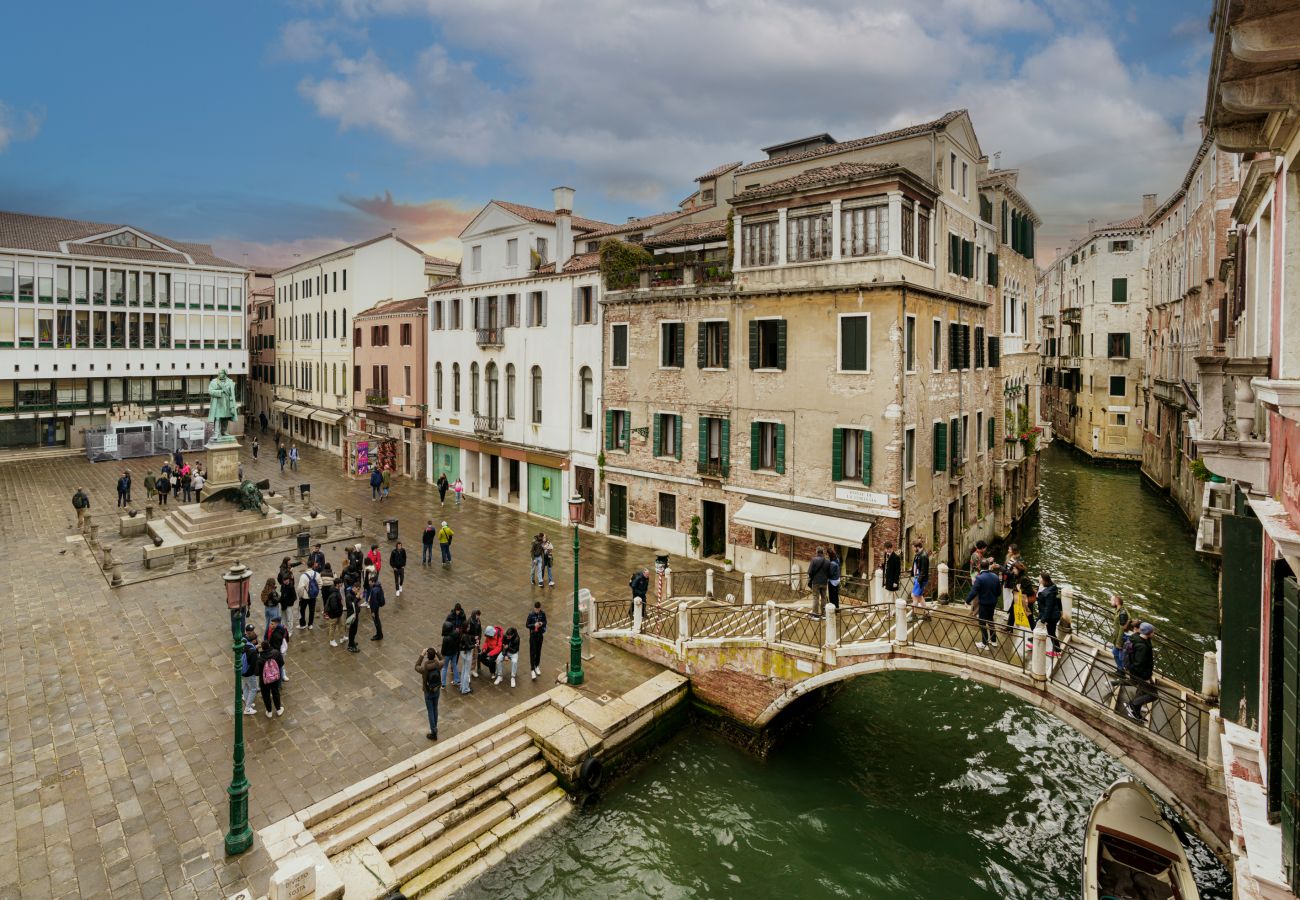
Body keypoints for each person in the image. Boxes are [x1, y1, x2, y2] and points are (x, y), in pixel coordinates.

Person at [966, 560, 1002, 650]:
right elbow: (999, 592)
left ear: (980, 567)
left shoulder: (979, 578)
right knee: (990, 621)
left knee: (982, 622)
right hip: (993, 603)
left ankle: (984, 643)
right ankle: (993, 641)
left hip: (984, 603)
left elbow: (974, 591)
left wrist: (967, 601)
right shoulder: (995, 576)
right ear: (988, 566)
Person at [1126, 623, 1158, 722]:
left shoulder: (1138, 638)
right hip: (1140, 675)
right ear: (1148, 633)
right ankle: (1133, 705)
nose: (1154, 633)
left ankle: (1136, 711)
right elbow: (1139, 665)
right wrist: (1147, 677)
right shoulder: (1142, 647)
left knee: (1142, 691)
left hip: (1137, 673)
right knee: (1153, 695)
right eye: (1153, 632)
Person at [415, 647, 442, 741]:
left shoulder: (424, 668)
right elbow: (443, 660)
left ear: (427, 656)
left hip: (428, 692)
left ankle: (434, 732)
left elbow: (416, 666)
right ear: (434, 655)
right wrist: (437, 652)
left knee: (430, 711)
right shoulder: (438, 664)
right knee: (435, 708)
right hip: (437, 690)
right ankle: (435, 727)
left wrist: (421, 655)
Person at [1036, 572, 1063, 656]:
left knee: (1051, 632)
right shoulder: (1050, 588)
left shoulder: (1049, 593)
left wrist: (1044, 620)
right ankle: (1035, 643)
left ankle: (1057, 651)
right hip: (1049, 614)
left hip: (1051, 616)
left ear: (1044, 580)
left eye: (1040, 577)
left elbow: (1049, 608)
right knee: (1049, 631)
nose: (1038, 578)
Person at [258, 639, 285, 718]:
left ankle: (269, 711)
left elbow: (256, 672)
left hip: (264, 681)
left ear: (262, 648)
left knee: (266, 695)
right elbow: (281, 663)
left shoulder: (260, 658)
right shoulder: (276, 653)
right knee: (275, 692)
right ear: (269, 645)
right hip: (275, 678)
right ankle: (278, 709)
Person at [241, 624, 260, 715]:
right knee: (253, 689)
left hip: (242, 671)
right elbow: (253, 665)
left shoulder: (245, 645)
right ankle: (247, 708)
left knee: (245, 686)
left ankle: (248, 701)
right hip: (249, 673)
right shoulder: (252, 651)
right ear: (254, 640)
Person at [265, 615, 290, 684]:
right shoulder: (270, 628)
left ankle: (283, 675)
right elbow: (266, 636)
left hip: (281, 649)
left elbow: (286, 637)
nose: (270, 625)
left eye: (272, 624)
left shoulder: (283, 629)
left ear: (277, 623)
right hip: (274, 649)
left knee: (281, 663)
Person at [526, 601, 547, 680]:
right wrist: (533, 625)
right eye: (536, 609)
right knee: (532, 652)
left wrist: (541, 623)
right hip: (533, 636)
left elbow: (545, 622)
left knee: (538, 651)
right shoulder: (531, 615)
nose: (537, 610)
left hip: (540, 635)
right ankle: (532, 670)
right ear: (534, 608)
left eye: (538, 609)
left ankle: (537, 666)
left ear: (540, 608)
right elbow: (527, 625)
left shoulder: (543, 614)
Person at [1110, 593, 1130, 675]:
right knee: (1116, 653)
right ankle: (1120, 670)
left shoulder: (1122, 613)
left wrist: (1118, 642)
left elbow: (1122, 629)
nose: (1110, 602)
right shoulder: (1120, 610)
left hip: (1121, 638)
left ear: (1117, 602)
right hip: (1119, 637)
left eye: (1111, 600)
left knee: (1119, 655)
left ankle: (1121, 672)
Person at [322, 574, 344, 647]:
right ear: (337, 584)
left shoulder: (337, 590)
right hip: (334, 614)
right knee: (332, 627)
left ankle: (342, 637)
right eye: (340, 583)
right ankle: (332, 640)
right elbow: (334, 606)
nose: (341, 584)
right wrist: (338, 612)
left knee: (341, 625)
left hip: (339, 612)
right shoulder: (334, 594)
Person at [807, 548, 830, 618]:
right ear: (823, 553)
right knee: (824, 598)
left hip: (816, 582)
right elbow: (829, 572)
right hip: (824, 582)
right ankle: (824, 614)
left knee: (815, 597)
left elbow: (809, 572)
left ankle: (815, 614)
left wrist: (812, 578)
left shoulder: (814, 560)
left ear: (817, 552)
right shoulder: (827, 561)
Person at [297, 563, 320, 630]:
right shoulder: (317, 574)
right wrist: (316, 592)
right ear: (313, 566)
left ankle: (302, 624)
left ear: (307, 566)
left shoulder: (303, 576)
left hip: (305, 597)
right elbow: (320, 584)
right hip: (313, 596)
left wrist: (300, 596)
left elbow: (300, 588)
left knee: (302, 610)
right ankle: (310, 625)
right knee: (312, 610)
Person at [440, 619, 462, 687]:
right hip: (454, 653)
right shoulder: (457, 633)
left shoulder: (446, 638)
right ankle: (457, 680)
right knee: (454, 665)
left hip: (447, 655)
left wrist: (442, 655)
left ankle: (443, 684)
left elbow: (443, 648)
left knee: (444, 668)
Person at [911, 539, 930, 614]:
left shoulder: (924, 556)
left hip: (920, 579)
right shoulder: (918, 554)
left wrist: (919, 580)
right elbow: (916, 566)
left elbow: (923, 570)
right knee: (919, 597)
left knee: (914, 596)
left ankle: (913, 615)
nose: (912, 549)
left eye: (913, 547)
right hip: (918, 578)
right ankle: (926, 613)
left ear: (917, 547)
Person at [457, 625, 475, 695]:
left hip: (463, 653)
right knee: (466, 672)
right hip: (467, 654)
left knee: (464, 670)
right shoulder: (466, 635)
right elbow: (468, 647)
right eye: (468, 627)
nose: (469, 628)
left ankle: (462, 687)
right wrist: (475, 645)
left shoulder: (462, 634)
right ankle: (465, 689)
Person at [466, 609, 483, 677]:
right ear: (474, 615)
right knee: (468, 657)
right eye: (477, 615)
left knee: (475, 656)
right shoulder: (469, 622)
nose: (478, 617)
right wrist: (474, 637)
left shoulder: (478, 621)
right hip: (470, 642)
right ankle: (467, 672)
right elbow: (467, 634)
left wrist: (478, 638)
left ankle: (472, 670)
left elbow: (480, 631)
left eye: (479, 615)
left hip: (476, 642)